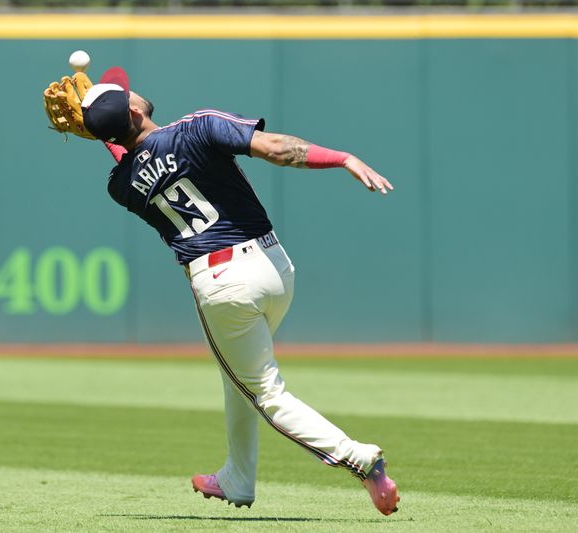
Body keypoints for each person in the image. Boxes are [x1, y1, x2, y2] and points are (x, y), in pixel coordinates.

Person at [81, 66, 399, 516]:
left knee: (264, 391)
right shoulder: (197, 127)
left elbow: (133, 157)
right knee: (240, 377)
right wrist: (342, 157)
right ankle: (237, 478)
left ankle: (358, 457)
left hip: (223, 286)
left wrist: (98, 127)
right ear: (133, 108)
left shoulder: (120, 187)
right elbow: (274, 148)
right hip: (274, 269)